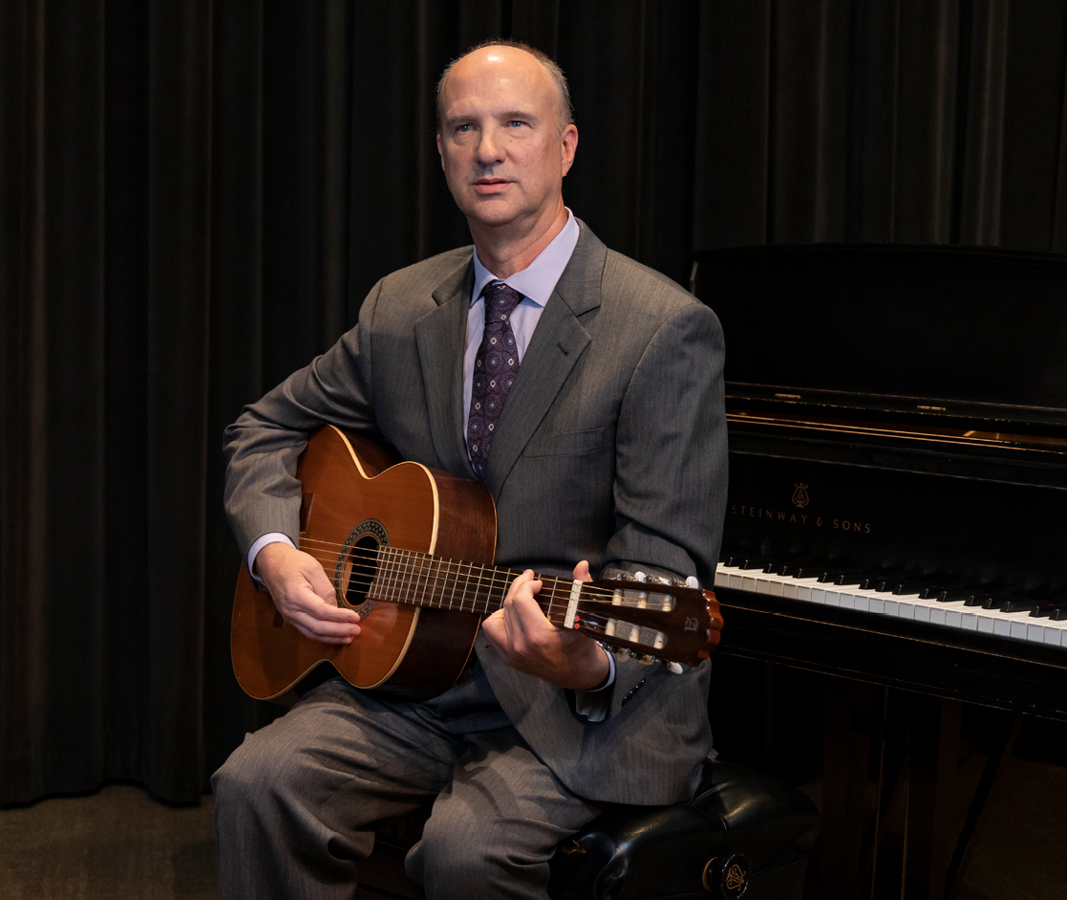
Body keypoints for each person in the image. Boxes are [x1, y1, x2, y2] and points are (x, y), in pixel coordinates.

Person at [214, 40, 727, 900]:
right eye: (464, 128)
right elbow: (263, 427)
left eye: (515, 124)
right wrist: (274, 550)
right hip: (415, 681)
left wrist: (586, 661)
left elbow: (666, 571)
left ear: (564, 147)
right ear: (443, 153)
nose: (488, 149)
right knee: (255, 785)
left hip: (575, 706)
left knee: (465, 853)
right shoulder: (401, 307)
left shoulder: (661, 330)